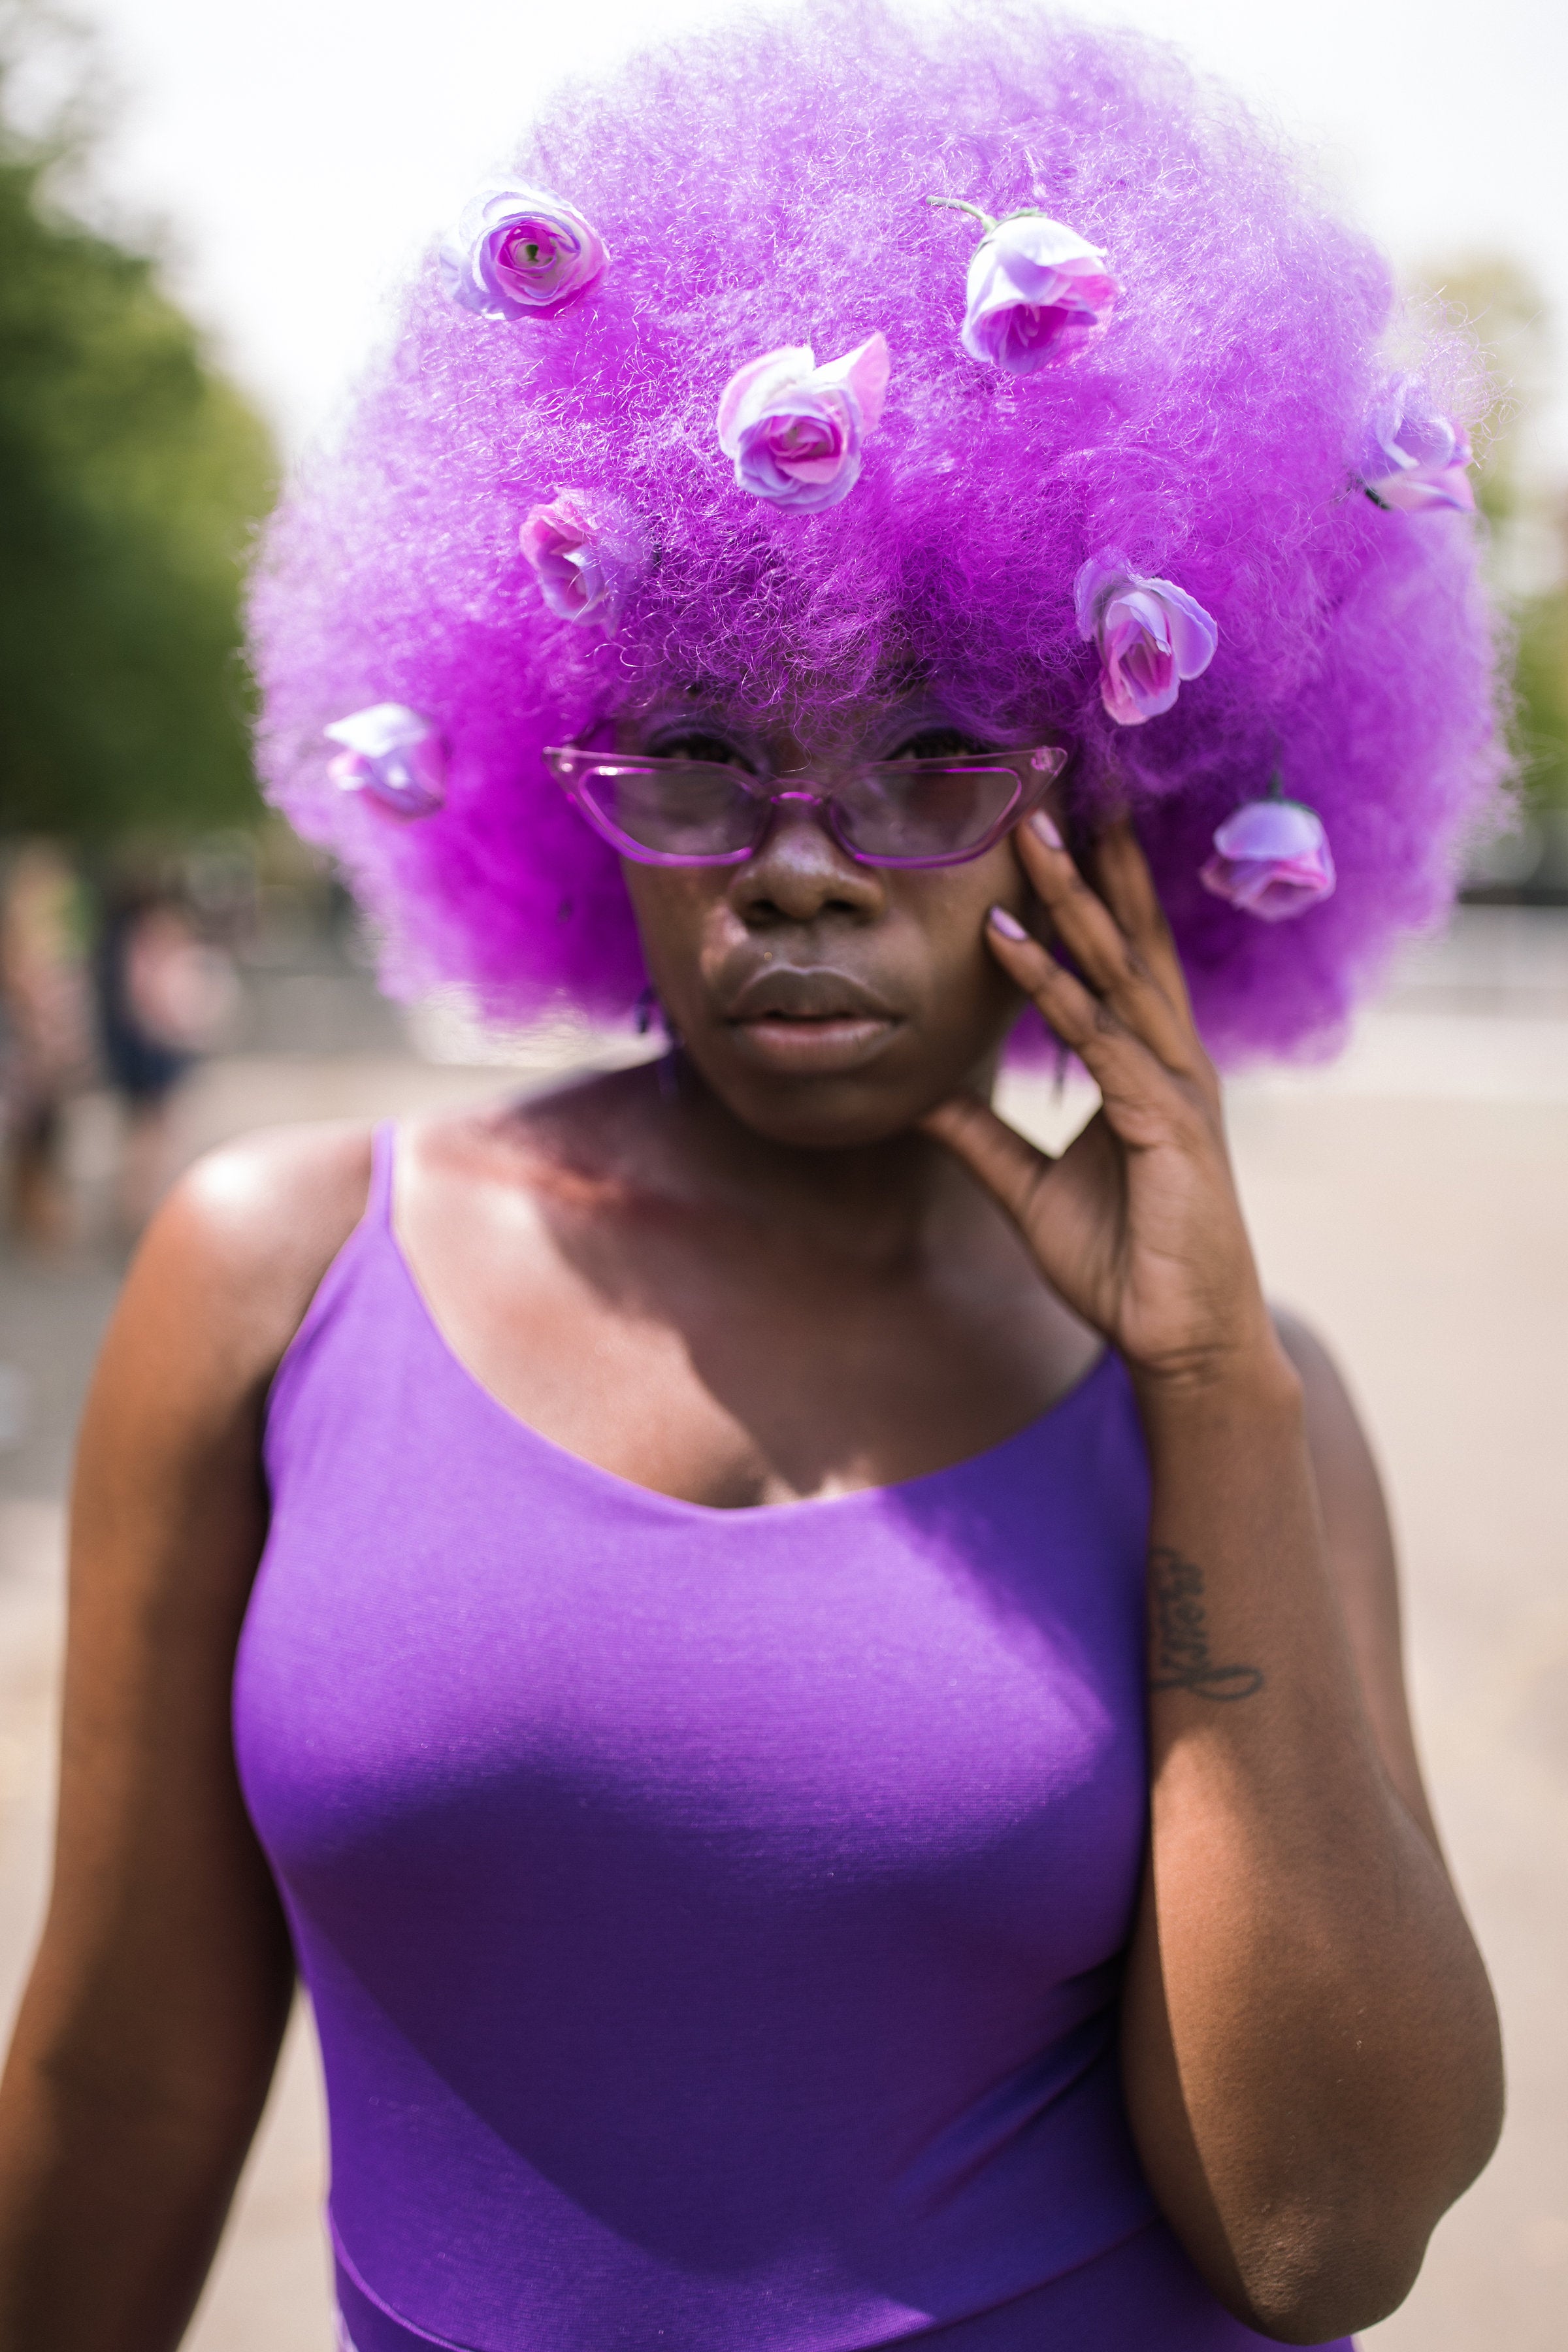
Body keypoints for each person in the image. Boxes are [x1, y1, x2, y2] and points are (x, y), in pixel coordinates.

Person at [0, 5, 1506, 2347]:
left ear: (1117, 801)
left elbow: (1326, 2239)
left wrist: (1211, 1390)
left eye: (928, 757)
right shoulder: (276, 1282)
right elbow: (113, 2089)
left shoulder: (1234, 1399)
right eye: (699, 755)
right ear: (553, 762)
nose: (798, 868)